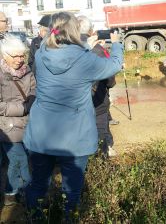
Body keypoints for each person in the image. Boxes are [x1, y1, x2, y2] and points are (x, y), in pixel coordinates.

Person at [23, 12, 124, 220]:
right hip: (74, 137)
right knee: (72, 191)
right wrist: (116, 44)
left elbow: (63, 53)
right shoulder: (85, 60)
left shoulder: (42, 53)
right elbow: (113, 66)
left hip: (41, 133)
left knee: (39, 183)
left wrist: (85, 46)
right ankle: (69, 218)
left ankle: (35, 218)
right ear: (75, 30)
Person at [0, 35, 35, 206]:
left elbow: (35, 90)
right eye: (16, 56)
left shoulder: (27, 70)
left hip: (29, 123)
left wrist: (32, 101)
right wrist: (22, 108)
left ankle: (11, 191)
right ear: (4, 55)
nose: (20, 60)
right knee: (19, 158)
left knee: (20, 160)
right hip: (8, 127)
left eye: (22, 55)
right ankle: (30, 193)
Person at [77, 15, 117, 157]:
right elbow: (110, 79)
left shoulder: (67, 47)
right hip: (97, 100)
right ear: (91, 31)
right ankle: (104, 156)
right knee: (101, 130)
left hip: (75, 103)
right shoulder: (98, 50)